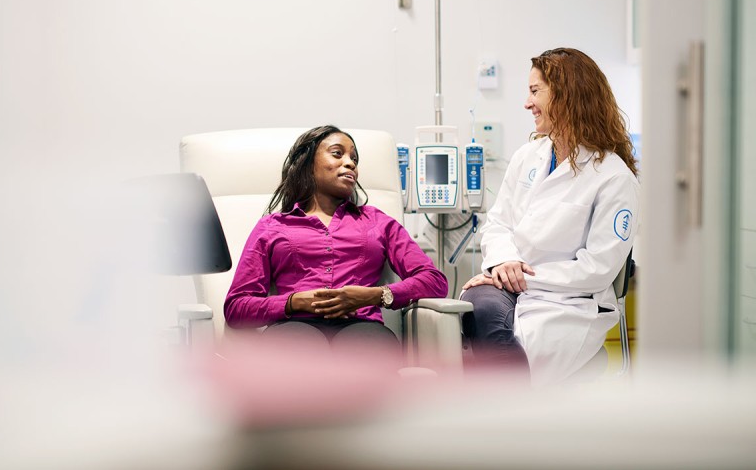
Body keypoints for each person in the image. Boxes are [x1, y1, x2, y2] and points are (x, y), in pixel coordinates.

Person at [461, 48, 640, 385]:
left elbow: (598, 269)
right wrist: (503, 263)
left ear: (568, 95)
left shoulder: (614, 178)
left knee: (503, 349)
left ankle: (513, 417)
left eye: (534, 91)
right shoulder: (528, 156)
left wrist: (522, 278)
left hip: (568, 302)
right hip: (510, 286)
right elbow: (498, 223)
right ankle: (511, 408)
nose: (526, 104)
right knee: (476, 306)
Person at [224, 125, 448, 360]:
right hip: (293, 327)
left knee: (370, 351)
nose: (351, 163)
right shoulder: (272, 226)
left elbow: (434, 281)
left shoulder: (377, 221)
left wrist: (374, 296)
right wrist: (293, 302)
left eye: (354, 158)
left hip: (363, 327)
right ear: (308, 163)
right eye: (337, 153)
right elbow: (236, 307)